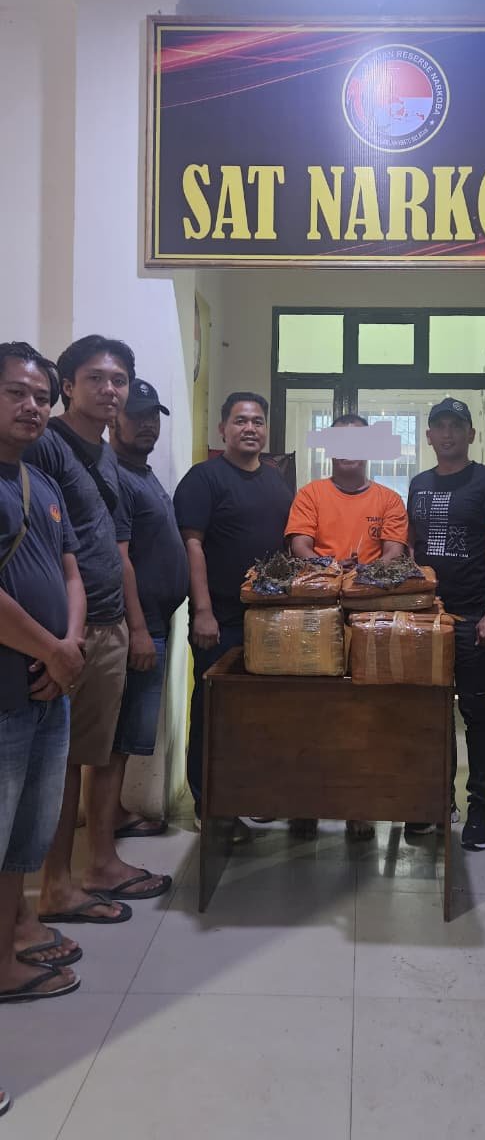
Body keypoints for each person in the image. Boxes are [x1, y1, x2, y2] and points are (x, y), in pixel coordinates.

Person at [25, 335, 170, 926]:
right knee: (59, 764)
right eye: (96, 379)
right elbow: (39, 545)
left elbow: (106, 541)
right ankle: (55, 885)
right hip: (69, 630)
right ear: (68, 386)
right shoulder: (47, 445)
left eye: (118, 380)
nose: (110, 390)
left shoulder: (105, 452)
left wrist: (128, 624)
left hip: (106, 622)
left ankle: (99, 864)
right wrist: (57, 636)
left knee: (95, 752)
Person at [0, 342, 85, 1006]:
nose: (32, 406)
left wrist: (70, 646)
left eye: (41, 397)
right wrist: (53, 650)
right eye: (16, 393)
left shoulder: (40, 484)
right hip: (8, 693)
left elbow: (70, 574)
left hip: (48, 692)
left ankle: (6, 955)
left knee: (23, 841)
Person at [286, 412, 408, 840]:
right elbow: (300, 545)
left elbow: (393, 551)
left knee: (364, 714)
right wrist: (331, 566)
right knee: (311, 714)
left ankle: (359, 806)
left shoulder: (389, 499)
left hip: (369, 618)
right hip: (316, 617)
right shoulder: (311, 494)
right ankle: (306, 805)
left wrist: (362, 576)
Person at [174, 391, 292, 820]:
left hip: (268, 619)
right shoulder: (203, 479)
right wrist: (202, 611)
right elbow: (192, 546)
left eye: (257, 421)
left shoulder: (276, 481)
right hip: (220, 619)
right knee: (214, 711)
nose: (250, 428)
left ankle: (251, 794)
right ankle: (209, 804)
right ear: (223, 428)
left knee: (259, 712)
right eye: (240, 420)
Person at [407, 398, 485, 851]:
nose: (448, 433)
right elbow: (411, 547)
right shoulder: (418, 483)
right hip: (428, 616)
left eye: (457, 425)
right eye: (440, 426)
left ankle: (481, 808)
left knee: (476, 712)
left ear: (471, 434)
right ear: (429, 436)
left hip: (474, 617)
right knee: (430, 711)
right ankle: (438, 800)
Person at [109, 379, 189, 838]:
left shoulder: (142, 471)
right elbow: (120, 559)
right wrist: (138, 630)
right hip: (139, 626)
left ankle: (114, 812)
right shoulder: (116, 477)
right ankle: (107, 823)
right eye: (137, 415)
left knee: (130, 733)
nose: (147, 424)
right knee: (119, 737)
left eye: (153, 416)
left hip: (157, 622)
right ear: (114, 420)